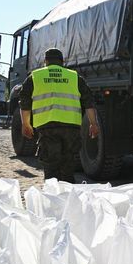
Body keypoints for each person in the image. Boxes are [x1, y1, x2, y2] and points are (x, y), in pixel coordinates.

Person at [19, 48, 99, 182]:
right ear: (63, 62)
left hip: (47, 127)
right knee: (68, 167)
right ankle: (68, 196)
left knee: (51, 169)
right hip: (71, 128)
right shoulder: (74, 77)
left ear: (45, 61)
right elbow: (89, 102)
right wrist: (93, 123)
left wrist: (25, 124)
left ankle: (52, 197)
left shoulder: (35, 77)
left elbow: (25, 102)